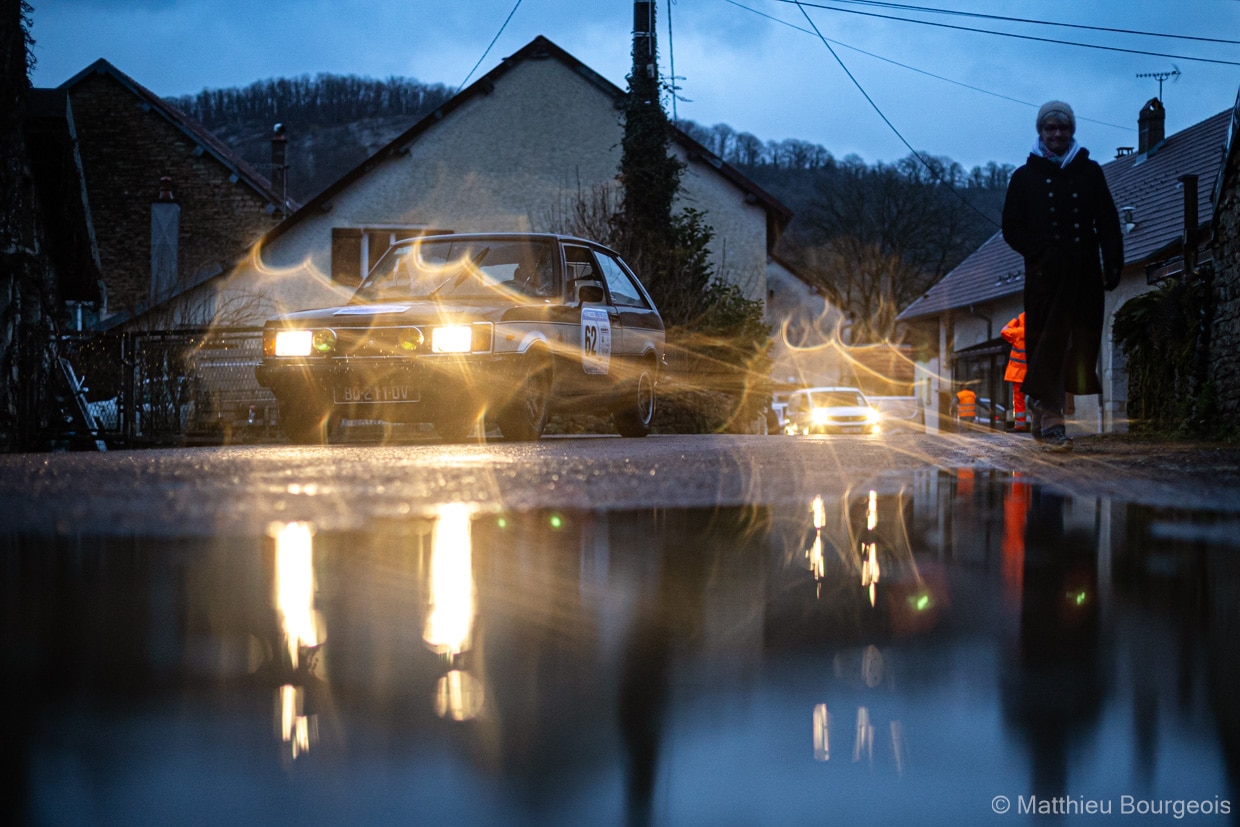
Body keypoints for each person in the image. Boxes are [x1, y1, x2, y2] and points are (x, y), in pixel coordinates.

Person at [1001, 101, 1123, 452]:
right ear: (1040, 132)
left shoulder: (1090, 172)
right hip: (1045, 278)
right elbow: (1011, 227)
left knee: (1079, 343)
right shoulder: (1024, 177)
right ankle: (1053, 418)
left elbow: (1108, 219)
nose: (1057, 134)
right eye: (1050, 128)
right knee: (1048, 343)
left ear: (1072, 131)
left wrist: (1112, 260)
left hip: (1084, 273)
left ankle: (1043, 409)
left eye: (1063, 128)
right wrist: (1039, 252)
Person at [1001, 312, 1029, 432]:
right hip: (1032, 372)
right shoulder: (1037, 333)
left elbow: (1004, 331)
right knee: (1036, 398)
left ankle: (1020, 424)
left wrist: (1014, 321)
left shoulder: (1018, 332)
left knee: (1018, 399)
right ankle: (1039, 424)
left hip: (1018, 373)